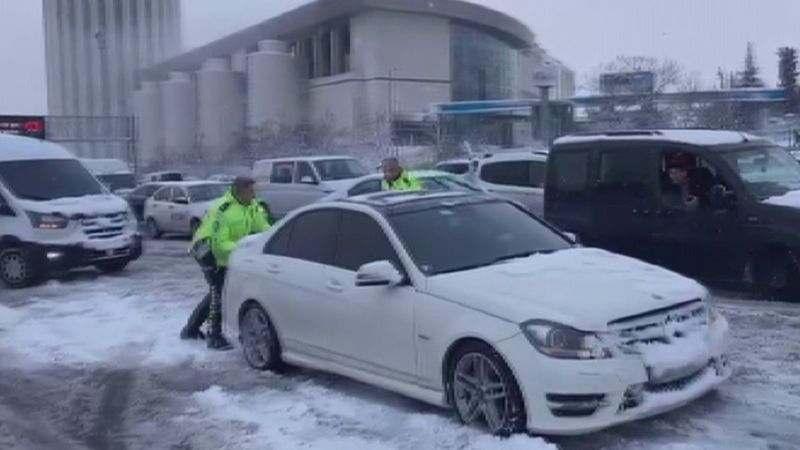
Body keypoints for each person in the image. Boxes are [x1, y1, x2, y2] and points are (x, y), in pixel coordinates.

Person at [181, 176, 271, 350]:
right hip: (207, 250)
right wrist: (244, 248)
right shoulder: (222, 209)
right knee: (219, 293)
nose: (254, 193)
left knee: (218, 291)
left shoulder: (253, 206)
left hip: (229, 252)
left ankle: (190, 330)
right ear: (239, 190)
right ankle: (214, 336)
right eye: (250, 190)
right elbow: (219, 244)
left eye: (254, 189)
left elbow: (264, 227)